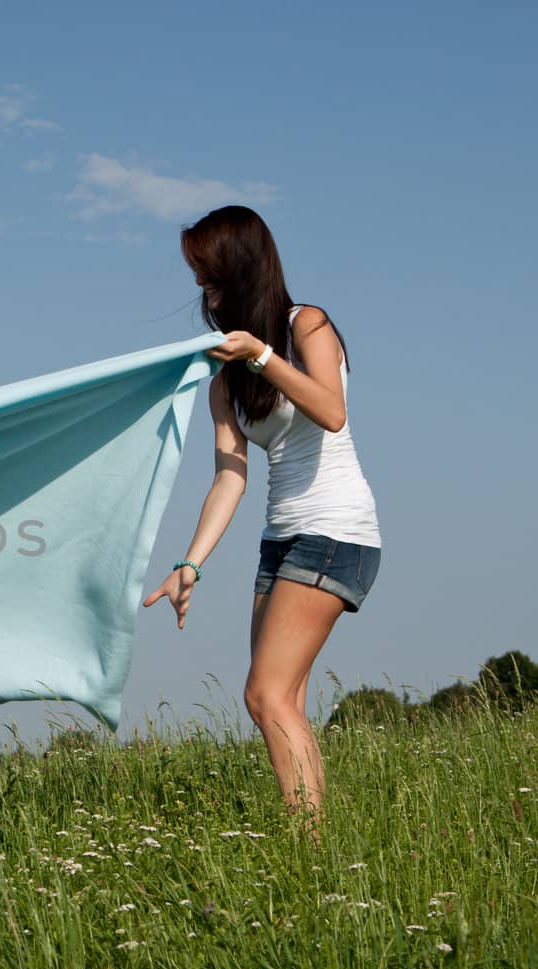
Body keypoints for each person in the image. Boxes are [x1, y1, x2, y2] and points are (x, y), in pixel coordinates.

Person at [144, 206, 381, 818]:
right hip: (280, 540)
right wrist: (188, 563)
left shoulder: (309, 326)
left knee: (264, 695)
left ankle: (310, 852)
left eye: (209, 271)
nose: (202, 287)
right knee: (279, 701)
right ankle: (316, 846)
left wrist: (262, 355)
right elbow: (230, 477)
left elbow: (331, 411)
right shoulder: (225, 380)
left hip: (335, 531)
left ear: (242, 268)